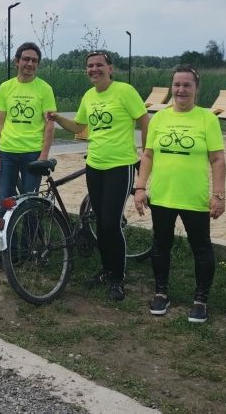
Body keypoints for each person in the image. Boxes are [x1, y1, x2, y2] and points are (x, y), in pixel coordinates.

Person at [48, 51, 148, 301]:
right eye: (90, 66)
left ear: (110, 68)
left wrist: (147, 153)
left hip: (121, 165)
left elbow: (145, 120)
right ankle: (106, 270)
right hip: (94, 165)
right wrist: (58, 118)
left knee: (111, 223)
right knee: (101, 223)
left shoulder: (124, 91)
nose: (94, 69)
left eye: (99, 65)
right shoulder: (89, 96)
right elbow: (79, 127)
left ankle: (117, 278)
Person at [133, 64, 226, 323]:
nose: (181, 89)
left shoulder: (207, 119)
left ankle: (200, 300)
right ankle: (161, 293)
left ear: (196, 89)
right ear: (171, 87)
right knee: (160, 245)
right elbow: (148, 155)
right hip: (163, 195)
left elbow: (217, 159)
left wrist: (218, 195)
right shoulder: (159, 118)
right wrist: (140, 187)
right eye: (177, 84)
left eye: (187, 85)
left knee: (201, 248)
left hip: (194, 197)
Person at [0, 43, 56, 207]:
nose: (30, 64)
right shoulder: (5, 87)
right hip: (7, 153)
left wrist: (44, 155)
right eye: (26, 59)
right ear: (17, 61)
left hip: (32, 153)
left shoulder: (45, 89)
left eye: (34, 60)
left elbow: (49, 124)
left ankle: (29, 226)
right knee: (6, 201)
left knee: (30, 202)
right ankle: (7, 226)